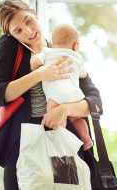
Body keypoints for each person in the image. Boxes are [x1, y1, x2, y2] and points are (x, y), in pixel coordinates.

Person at [0, 0, 103, 190]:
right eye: (18, 31)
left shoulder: (60, 48)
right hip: (24, 145)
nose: (28, 31)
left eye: (28, 21)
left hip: (61, 142)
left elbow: (96, 103)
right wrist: (39, 74)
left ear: (34, 13)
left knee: (65, 186)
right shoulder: (10, 46)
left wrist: (64, 110)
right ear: (11, 35)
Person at [30, 23, 93, 151]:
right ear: (76, 45)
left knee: (57, 118)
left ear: (53, 45)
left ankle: (61, 143)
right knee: (77, 119)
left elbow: (34, 63)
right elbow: (83, 74)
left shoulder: (47, 52)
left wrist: (41, 69)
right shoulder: (77, 57)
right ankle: (85, 138)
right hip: (75, 94)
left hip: (56, 94)